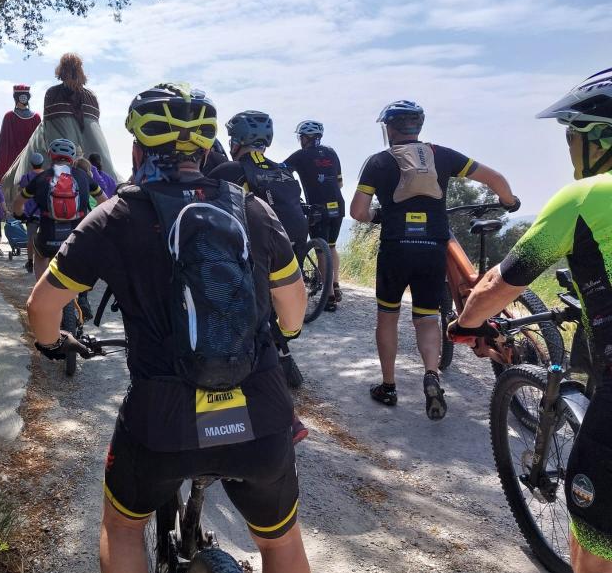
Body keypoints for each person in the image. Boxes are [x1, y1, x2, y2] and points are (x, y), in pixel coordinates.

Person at [26, 83, 311, 573]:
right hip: (258, 414)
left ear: (138, 147)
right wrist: (281, 334)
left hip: (163, 423)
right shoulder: (250, 208)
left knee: (122, 527)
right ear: (205, 149)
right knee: (280, 542)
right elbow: (295, 309)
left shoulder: (115, 216)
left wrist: (55, 344)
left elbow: (42, 308)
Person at [448, 69, 612, 573]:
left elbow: (500, 284)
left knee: (596, 563)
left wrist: (466, 325)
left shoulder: (587, 197)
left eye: (572, 134)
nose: (567, 146)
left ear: (599, 139)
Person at [349, 100, 518, 419]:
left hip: (396, 249)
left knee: (388, 316)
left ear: (389, 128)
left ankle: (388, 386)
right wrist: (510, 201)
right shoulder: (442, 155)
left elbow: (357, 212)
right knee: (427, 318)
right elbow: (495, 178)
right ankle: (431, 374)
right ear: (419, 126)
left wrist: (377, 216)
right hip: (432, 247)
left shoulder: (378, 162)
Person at [207, 110, 310, 440]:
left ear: (235, 141)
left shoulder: (230, 170)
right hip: (289, 254)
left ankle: (241, 420)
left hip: (250, 259)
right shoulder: (283, 171)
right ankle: (284, 411)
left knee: (244, 331)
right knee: (267, 327)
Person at [1, 53, 120, 204]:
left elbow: (50, 133)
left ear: (61, 71)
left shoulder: (52, 94)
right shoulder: (91, 97)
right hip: (89, 171)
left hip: (59, 169)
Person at [13, 137, 106, 281]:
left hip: (48, 236)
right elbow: (104, 202)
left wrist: (20, 215)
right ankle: (73, 291)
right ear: (72, 157)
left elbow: (18, 202)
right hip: (76, 237)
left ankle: (42, 287)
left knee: (40, 254)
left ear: (50, 155)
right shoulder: (84, 177)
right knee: (74, 265)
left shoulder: (41, 177)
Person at [285, 120, 345, 311]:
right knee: (331, 246)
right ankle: (335, 284)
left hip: (317, 208)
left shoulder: (300, 155)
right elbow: (340, 183)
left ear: (305, 138)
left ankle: (329, 297)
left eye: (301, 137)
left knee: (321, 251)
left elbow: (280, 172)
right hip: (338, 205)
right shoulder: (331, 152)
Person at [0, 84, 41, 182]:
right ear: (16, 98)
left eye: (25, 95)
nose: (23, 98)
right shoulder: (9, 117)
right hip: (13, 161)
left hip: (31, 160)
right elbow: (4, 145)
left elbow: (39, 142)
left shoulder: (36, 117)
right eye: (21, 95)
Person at [16, 152, 46, 273]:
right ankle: (45, 262)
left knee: (31, 239)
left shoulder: (26, 177)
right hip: (45, 213)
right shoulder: (48, 175)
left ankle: (30, 262)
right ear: (42, 163)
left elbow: (20, 191)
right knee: (46, 237)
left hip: (31, 213)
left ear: (31, 164)